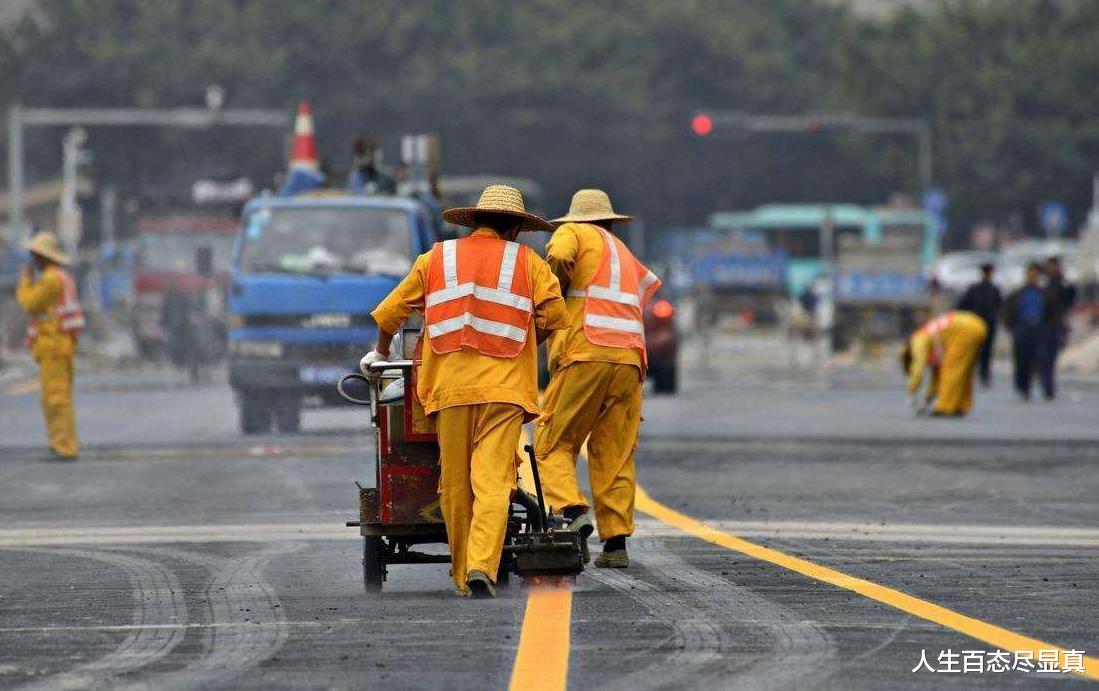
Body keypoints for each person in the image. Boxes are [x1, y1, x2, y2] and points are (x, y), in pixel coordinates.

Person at [360, 185, 568, 598]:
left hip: (450, 390)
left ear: (474, 221)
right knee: (493, 482)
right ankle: (481, 567)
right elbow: (554, 316)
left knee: (455, 485)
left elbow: (390, 314)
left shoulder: (437, 258)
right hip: (505, 392)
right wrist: (524, 343)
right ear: (516, 229)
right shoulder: (528, 262)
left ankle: (461, 574)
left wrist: (379, 353)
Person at [534, 189, 661, 568]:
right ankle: (616, 544)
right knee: (615, 453)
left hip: (586, 351)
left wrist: (552, 294)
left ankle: (572, 511)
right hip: (630, 359)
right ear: (610, 221)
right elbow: (647, 289)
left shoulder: (573, 232)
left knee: (552, 443)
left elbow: (559, 255)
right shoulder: (624, 252)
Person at [15, 231, 85, 459]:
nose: (32, 260)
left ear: (43, 256)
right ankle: (65, 445)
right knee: (60, 399)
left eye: (35, 255)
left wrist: (25, 280)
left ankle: (63, 447)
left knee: (55, 400)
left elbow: (30, 303)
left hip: (54, 346)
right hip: (60, 345)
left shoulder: (50, 279)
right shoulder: (62, 277)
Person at [900, 310, 987, 417]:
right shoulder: (932, 336)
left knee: (951, 370)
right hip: (977, 325)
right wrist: (927, 401)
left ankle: (944, 407)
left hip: (964, 329)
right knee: (964, 372)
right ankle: (960, 405)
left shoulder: (918, 340)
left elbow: (918, 368)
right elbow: (936, 377)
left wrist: (911, 391)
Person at [1003, 263, 1046, 401]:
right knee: (1020, 358)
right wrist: (1010, 326)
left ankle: (1027, 386)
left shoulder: (1042, 293)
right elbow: (1008, 309)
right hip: (1021, 328)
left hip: (1037, 329)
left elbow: (1050, 311)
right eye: (1030, 274)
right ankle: (1020, 384)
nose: (1033, 277)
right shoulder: (1018, 293)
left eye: (1035, 274)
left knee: (1033, 359)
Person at [956, 262, 1002, 387]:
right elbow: (963, 305)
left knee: (987, 351)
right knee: (975, 350)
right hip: (975, 325)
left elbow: (999, 306)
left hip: (988, 325)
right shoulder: (975, 289)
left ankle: (984, 374)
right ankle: (974, 373)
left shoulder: (994, 290)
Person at [1039, 255, 1077, 400]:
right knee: (1043, 357)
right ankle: (1046, 384)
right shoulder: (1043, 283)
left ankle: (1048, 385)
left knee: (1051, 356)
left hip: (1056, 325)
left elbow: (1069, 301)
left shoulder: (1063, 283)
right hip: (1042, 325)